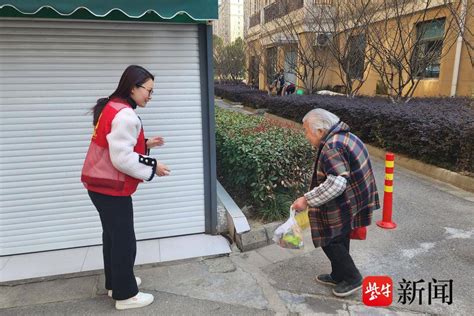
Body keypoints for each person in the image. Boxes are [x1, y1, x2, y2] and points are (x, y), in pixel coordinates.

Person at [81, 65, 170, 310]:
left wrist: (146, 143)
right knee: (124, 241)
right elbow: (121, 158)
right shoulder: (126, 115)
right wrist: (154, 166)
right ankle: (125, 295)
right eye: (148, 91)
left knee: (112, 238)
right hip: (110, 188)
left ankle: (116, 283)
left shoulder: (112, 106)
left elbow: (115, 143)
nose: (150, 96)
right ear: (133, 87)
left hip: (98, 184)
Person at [292, 108, 380, 297]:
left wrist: (306, 200)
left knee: (329, 238)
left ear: (320, 131)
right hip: (357, 197)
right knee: (340, 236)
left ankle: (352, 278)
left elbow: (337, 182)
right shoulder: (344, 136)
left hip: (347, 200)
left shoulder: (332, 146)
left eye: (307, 131)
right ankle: (339, 274)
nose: (306, 136)